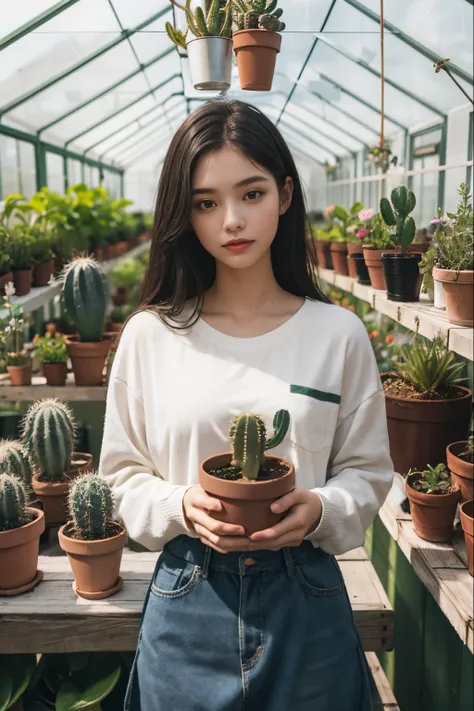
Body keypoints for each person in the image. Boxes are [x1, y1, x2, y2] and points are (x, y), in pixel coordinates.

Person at [99, 99, 394, 711]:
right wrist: (180, 505)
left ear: (285, 195)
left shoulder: (337, 333)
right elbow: (120, 475)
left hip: (304, 593)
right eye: (206, 202)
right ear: (186, 214)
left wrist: (319, 509)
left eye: (251, 193)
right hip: (187, 596)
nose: (231, 220)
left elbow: (368, 472)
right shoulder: (152, 335)